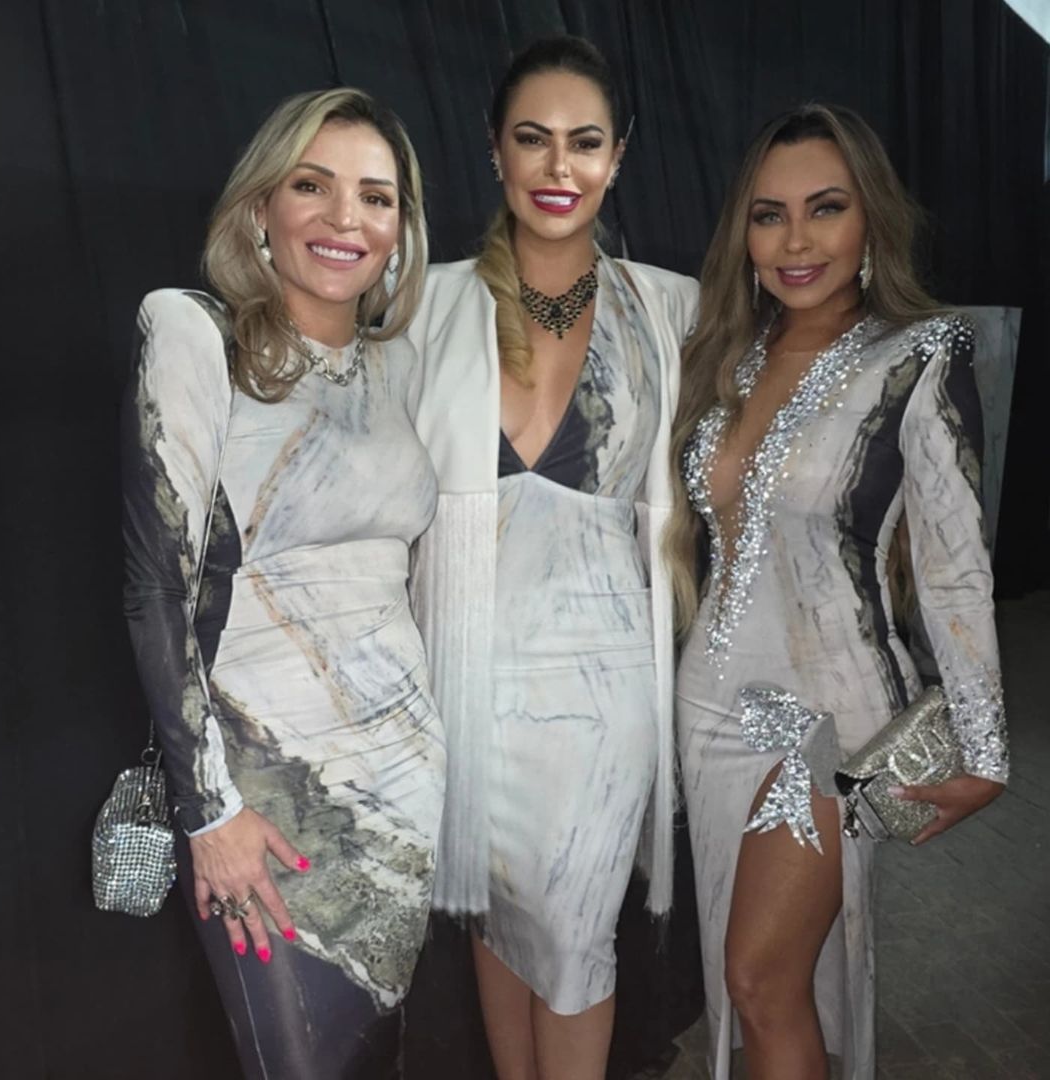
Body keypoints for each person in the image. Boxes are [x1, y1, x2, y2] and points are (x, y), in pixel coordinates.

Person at [668, 103, 1009, 1080]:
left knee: (758, 977)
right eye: (769, 215)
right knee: (763, 981)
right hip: (708, 702)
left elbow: (953, 559)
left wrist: (983, 747)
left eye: (826, 207)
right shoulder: (726, 357)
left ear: (871, 221)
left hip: (825, 717)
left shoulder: (918, 354)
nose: (796, 239)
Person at [121, 87, 444, 1079]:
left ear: (401, 228)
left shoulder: (397, 368)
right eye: (314, 186)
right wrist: (207, 811)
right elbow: (155, 585)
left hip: (410, 775)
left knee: (374, 1057)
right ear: (262, 207)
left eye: (377, 197)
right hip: (263, 786)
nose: (348, 220)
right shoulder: (193, 334)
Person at [404, 36, 699, 1080]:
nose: (558, 167)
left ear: (617, 157)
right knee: (496, 926)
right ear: (495, 153)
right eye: (533, 141)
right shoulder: (422, 307)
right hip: (460, 686)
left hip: (599, 694)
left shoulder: (672, 310)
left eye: (584, 144)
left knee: (575, 944)